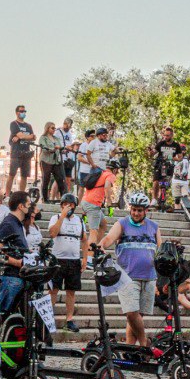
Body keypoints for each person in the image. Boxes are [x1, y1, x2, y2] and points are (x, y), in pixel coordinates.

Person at [100, 192, 163, 347]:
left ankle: (130, 349)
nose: (136, 213)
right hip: (127, 276)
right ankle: (144, 342)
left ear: (146, 210)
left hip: (149, 276)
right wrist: (101, 246)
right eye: (133, 209)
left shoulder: (154, 227)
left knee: (136, 316)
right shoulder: (122, 224)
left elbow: (160, 250)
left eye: (139, 210)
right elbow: (109, 239)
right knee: (131, 312)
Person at [49, 193, 88, 332]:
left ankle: (69, 319)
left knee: (71, 291)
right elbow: (52, 233)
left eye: (71, 205)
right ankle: (49, 318)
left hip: (74, 261)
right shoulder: (56, 218)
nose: (68, 207)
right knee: (53, 289)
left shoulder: (80, 221)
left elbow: (84, 240)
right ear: (61, 206)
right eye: (66, 204)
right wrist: (62, 217)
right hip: (58, 259)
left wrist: (84, 258)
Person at [0, 192, 33, 313]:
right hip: (10, 277)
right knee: (3, 314)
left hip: (19, 276)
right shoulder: (8, 223)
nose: (30, 207)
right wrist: (17, 262)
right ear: (21, 206)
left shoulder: (17, 223)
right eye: (28, 204)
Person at [77, 143, 118, 249]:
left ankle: (96, 248)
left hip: (86, 201)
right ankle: (89, 256)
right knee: (93, 232)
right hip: (93, 204)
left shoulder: (101, 173)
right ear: (114, 169)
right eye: (117, 170)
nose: (117, 172)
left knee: (103, 225)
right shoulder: (110, 175)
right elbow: (107, 187)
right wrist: (109, 203)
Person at [6, 105, 35, 197]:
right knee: (12, 175)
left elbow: (33, 137)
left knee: (24, 176)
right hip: (16, 153)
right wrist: (24, 136)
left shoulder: (28, 125)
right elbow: (24, 136)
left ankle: (21, 195)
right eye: (21, 111)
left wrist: (21, 136)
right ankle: (7, 195)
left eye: (24, 111)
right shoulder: (14, 124)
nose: (23, 113)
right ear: (16, 112)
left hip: (26, 153)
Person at [149, 126, 181, 207]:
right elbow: (153, 153)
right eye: (165, 135)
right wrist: (150, 152)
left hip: (169, 166)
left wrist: (172, 157)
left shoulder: (176, 145)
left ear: (172, 135)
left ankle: (162, 199)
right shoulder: (161, 143)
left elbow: (180, 157)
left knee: (164, 184)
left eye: (167, 135)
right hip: (159, 165)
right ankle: (154, 199)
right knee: (156, 181)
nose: (166, 137)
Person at [38, 122, 66, 202]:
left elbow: (60, 148)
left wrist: (64, 150)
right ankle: (45, 199)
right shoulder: (43, 138)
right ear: (47, 128)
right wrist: (54, 149)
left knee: (60, 179)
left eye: (55, 128)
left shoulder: (56, 138)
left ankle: (63, 199)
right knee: (46, 179)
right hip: (46, 161)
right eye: (52, 128)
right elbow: (44, 149)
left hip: (56, 161)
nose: (54, 129)